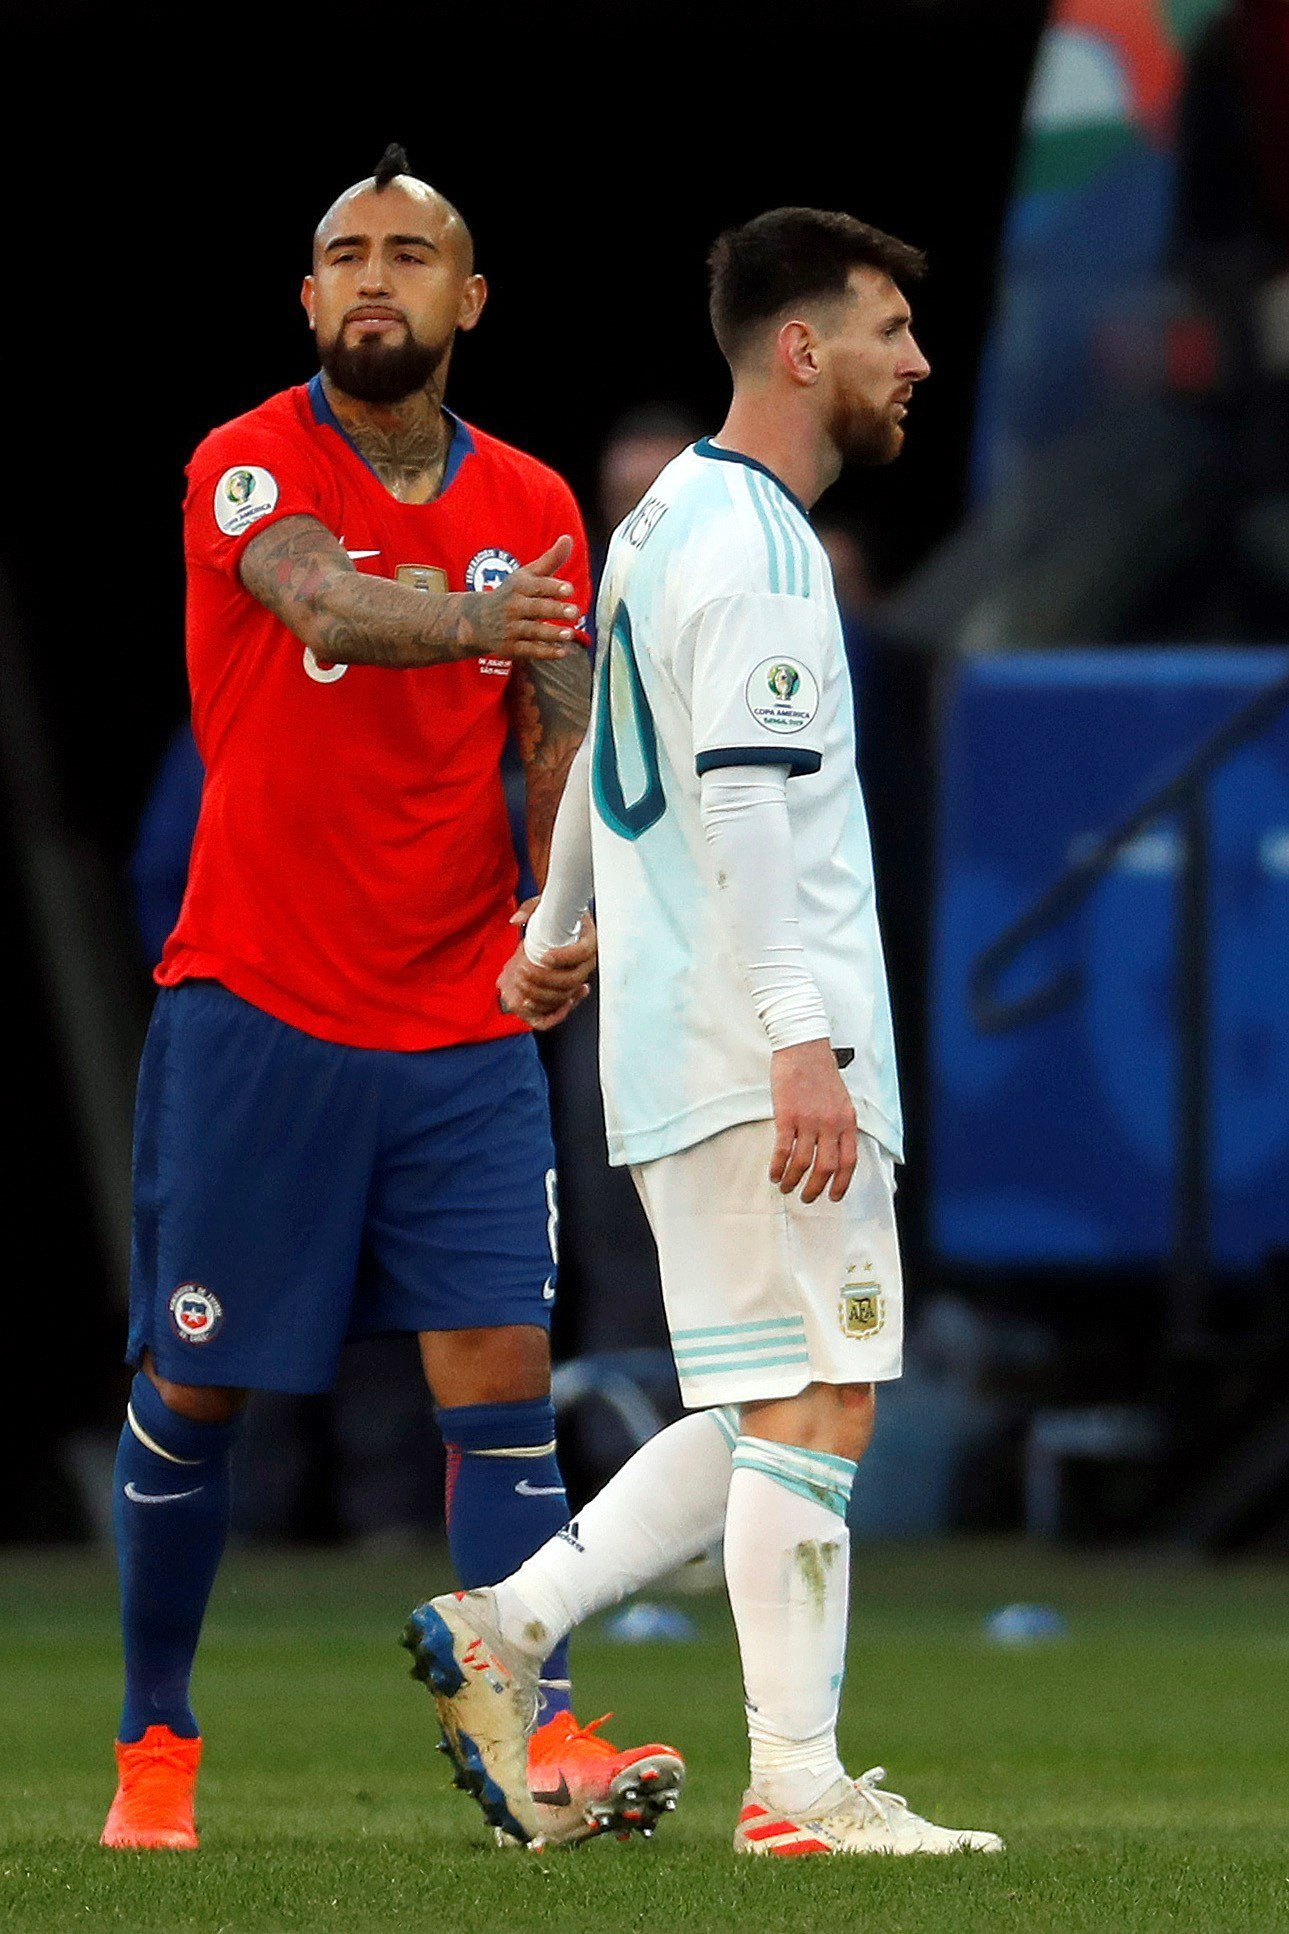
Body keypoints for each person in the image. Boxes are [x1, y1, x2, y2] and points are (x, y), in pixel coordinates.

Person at [101, 144, 680, 1854]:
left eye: (409, 254)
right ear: (306, 298)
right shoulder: (243, 465)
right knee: (195, 1387)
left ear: (466, 300)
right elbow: (318, 597)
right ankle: (155, 1747)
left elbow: (554, 726)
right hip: (259, 1001)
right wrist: (477, 612)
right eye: (345, 251)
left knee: (499, 1367)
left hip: (457, 1011)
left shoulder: (535, 503)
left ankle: (540, 1736)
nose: (374, 275)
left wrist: (563, 908)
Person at [406, 207, 1004, 1857]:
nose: (915, 360)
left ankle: (506, 1626)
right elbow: (737, 794)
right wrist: (804, 1043)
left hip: (682, 1037)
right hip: (761, 1043)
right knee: (821, 1401)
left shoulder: (664, 517)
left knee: (755, 1400)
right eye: (888, 326)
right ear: (802, 348)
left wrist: (549, 933)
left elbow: (609, 733)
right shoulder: (754, 542)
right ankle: (797, 1790)